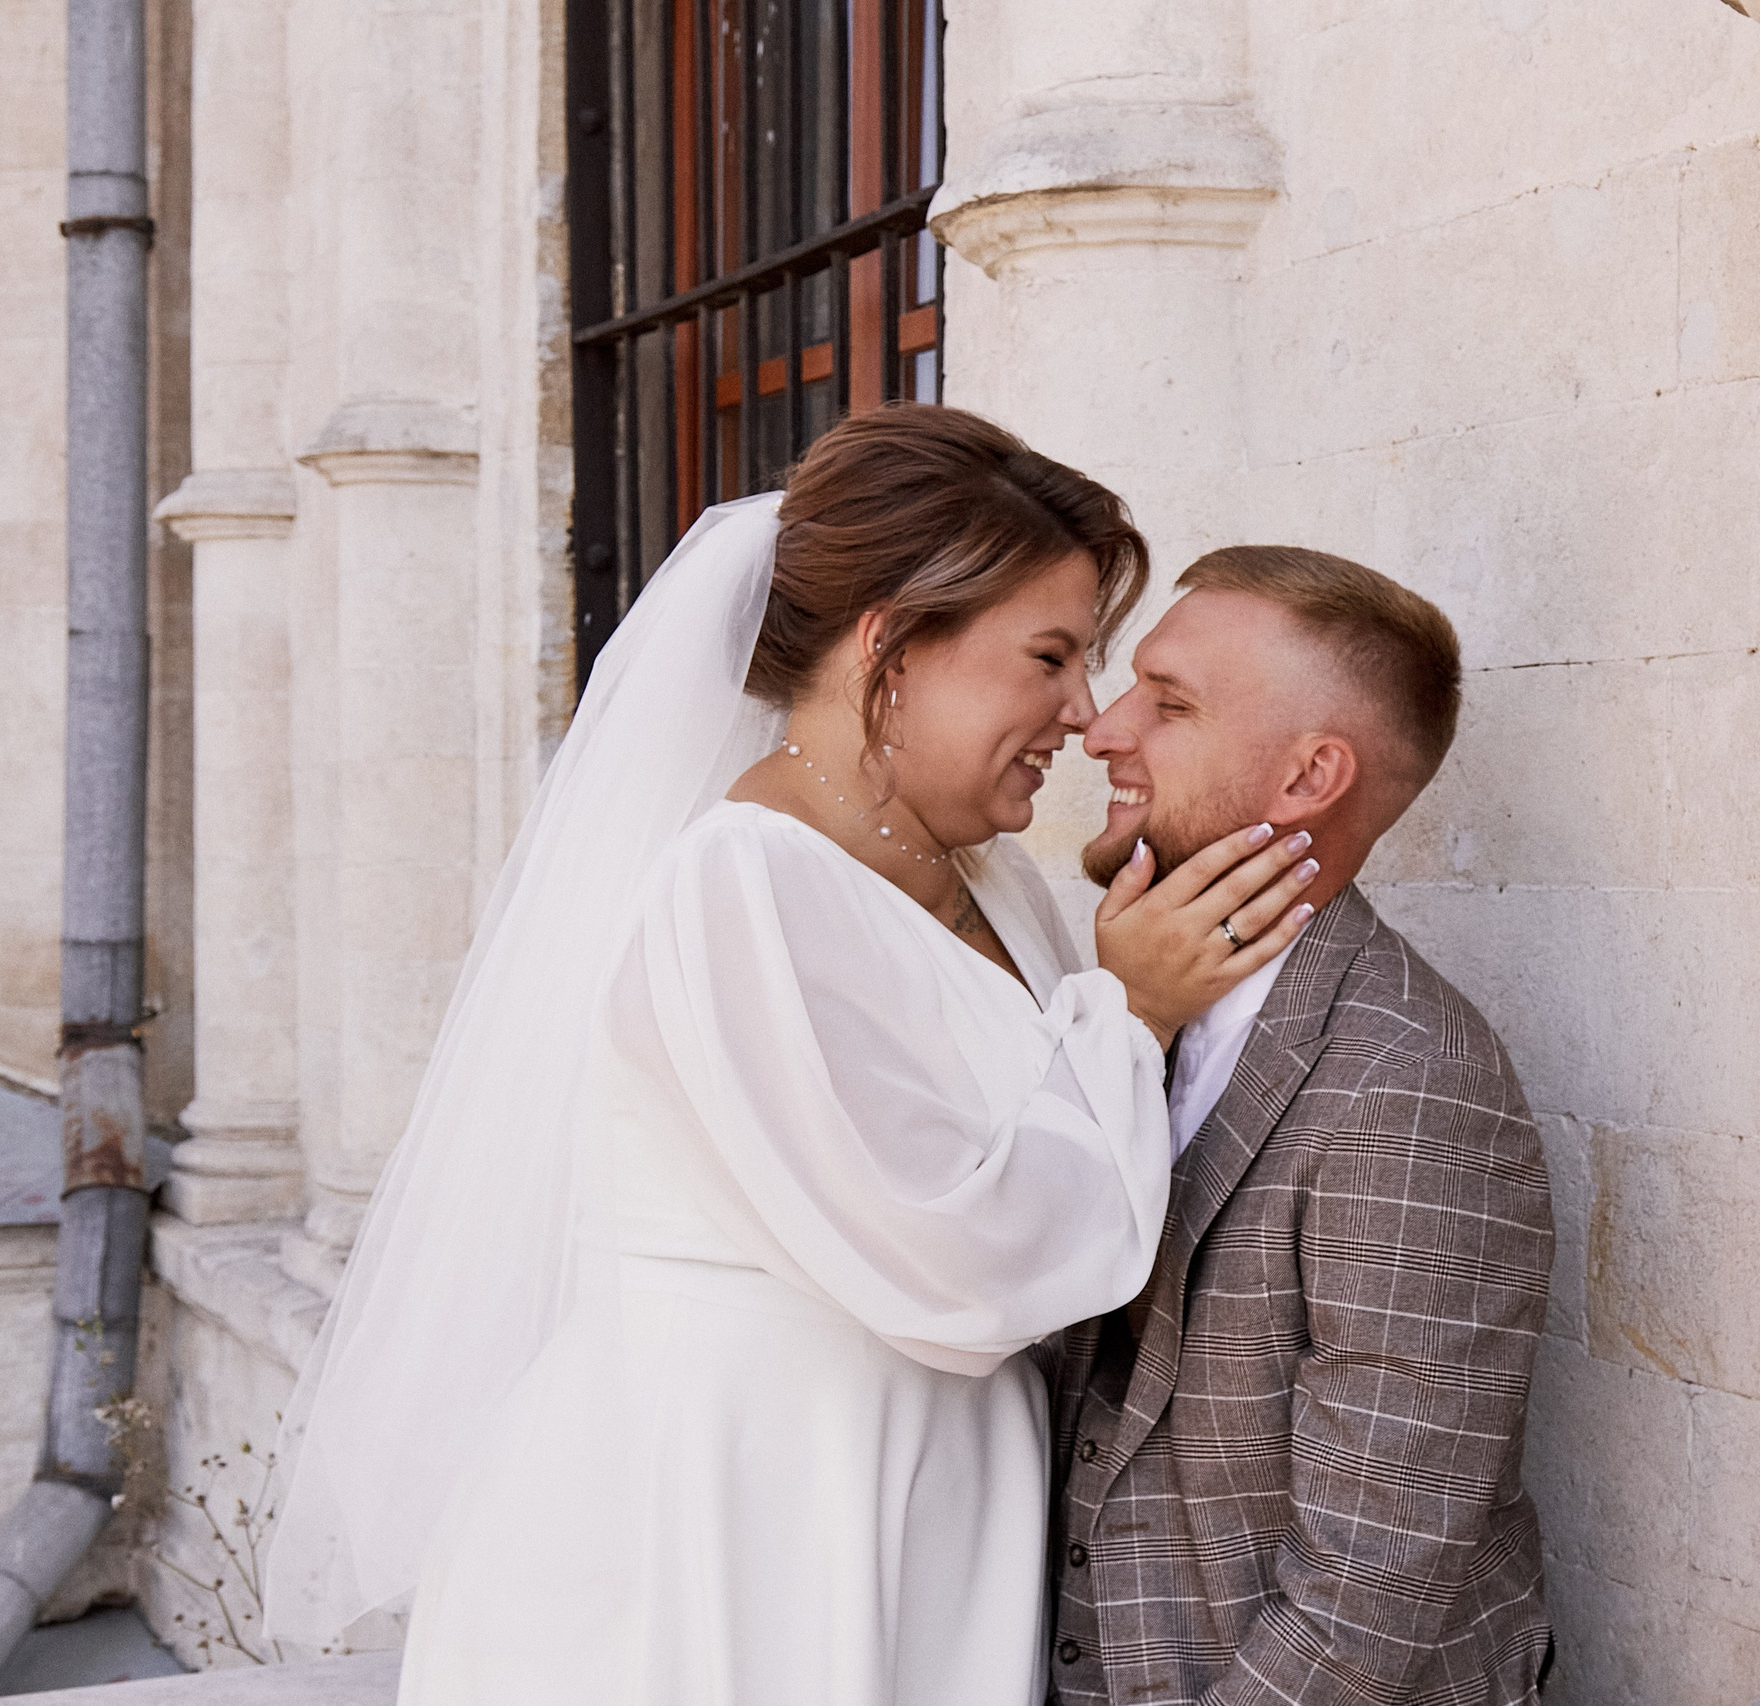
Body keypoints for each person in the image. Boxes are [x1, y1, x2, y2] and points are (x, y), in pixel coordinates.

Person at [263, 407, 1318, 1705]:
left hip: (927, 1507)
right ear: (892, 646)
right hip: (733, 1520)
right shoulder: (740, 891)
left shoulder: (1002, 886)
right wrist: (1136, 1015)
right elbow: (954, 1252)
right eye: (1049, 656)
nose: (1082, 713)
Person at [1049, 546, 1557, 1705]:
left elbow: (1367, 1591)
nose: (1102, 730)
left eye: (1168, 702)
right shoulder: (1134, 1004)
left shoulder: (1410, 1085)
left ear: (1308, 774)